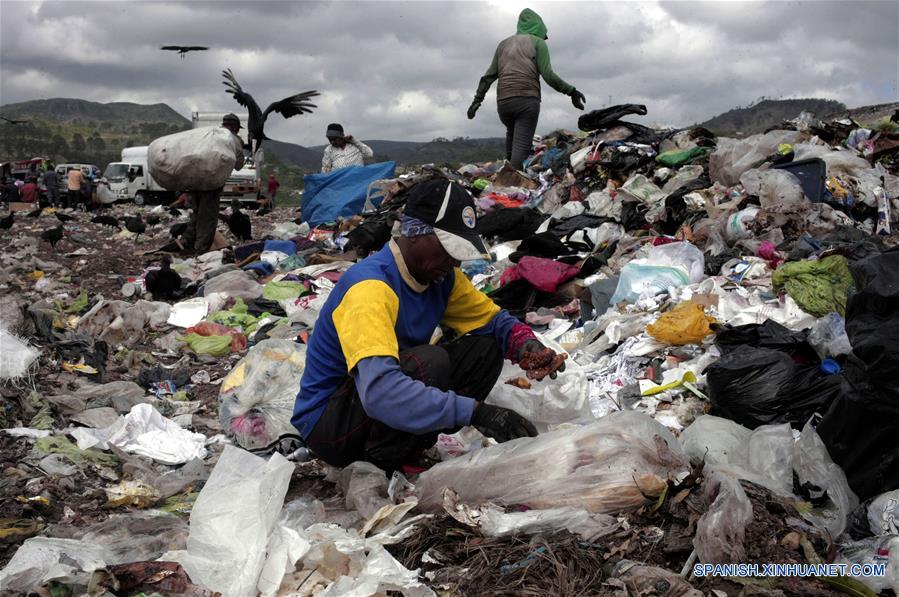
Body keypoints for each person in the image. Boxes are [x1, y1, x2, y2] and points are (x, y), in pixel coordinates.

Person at [292, 179, 566, 473]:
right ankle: (381, 460)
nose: (455, 264)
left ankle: (409, 448)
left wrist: (526, 345)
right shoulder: (370, 289)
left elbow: (492, 320)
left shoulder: (440, 277)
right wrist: (476, 413)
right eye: (448, 250)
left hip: (372, 402)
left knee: (484, 350)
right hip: (331, 424)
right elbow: (380, 392)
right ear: (413, 234)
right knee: (429, 362)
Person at [467, 8, 586, 170]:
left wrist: (476, 102)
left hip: (503, 103)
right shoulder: (538, 43)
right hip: (526, 101)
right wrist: (571, 91)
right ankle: (512, 180)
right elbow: (548, 75)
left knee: (512, 133)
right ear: (539, 28)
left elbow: (488, 77)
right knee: (521, 149)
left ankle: (506, 175)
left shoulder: (503, 45)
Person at [180, 113, 244, 254]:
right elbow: (239, 164)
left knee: (196, 213)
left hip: (194, 179)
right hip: (211, 182)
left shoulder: (209, 135)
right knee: (207, 216)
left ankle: (186, 242)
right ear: (235, 127)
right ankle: (201, 250)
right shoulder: (232, 138)